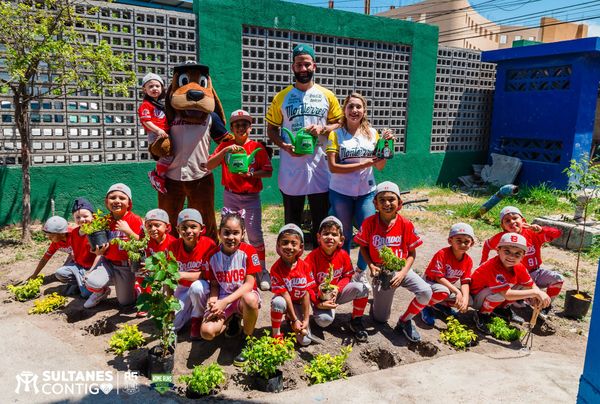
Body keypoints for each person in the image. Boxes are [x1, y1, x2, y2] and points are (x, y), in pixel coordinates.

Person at [266, 43, 343, 246]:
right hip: (292, 165)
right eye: (299, 64)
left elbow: (340, 122)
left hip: (320, 165)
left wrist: (323, 129)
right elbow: (272, 129)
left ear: (314, 66)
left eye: (307, 64)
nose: (303, 69)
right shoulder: (281, 97)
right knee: (292, 220)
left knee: (321, 218)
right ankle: (291, 262)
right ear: (293, 67)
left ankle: (320, 258)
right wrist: (284, 146)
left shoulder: (327, 95)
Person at [325, 92, 393, 287]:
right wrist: (364, 164)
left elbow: (379, 166)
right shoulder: (335, 134)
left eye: (358, 107)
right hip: (340, 191)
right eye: (350, 106)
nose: (354, 110)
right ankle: (344, 274)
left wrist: (386, 143)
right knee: (344, 234)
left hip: (366, 192)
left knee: (369, 234)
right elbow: (333, 167)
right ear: (344, 110)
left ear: (364, 111)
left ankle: (360, 272)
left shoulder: (373, 134)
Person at [354, 181, 432, 342]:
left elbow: (411, 253)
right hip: (381, 272)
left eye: (391, 199)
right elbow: (363, 247)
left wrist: (403, 273)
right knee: (380, 319)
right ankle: (376, 304)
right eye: (381, 200)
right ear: (375, 203)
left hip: (402, 269)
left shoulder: (405, 224)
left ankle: (405, 321)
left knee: (426, 292)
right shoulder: (369, 223)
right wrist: (371, 265)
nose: (387, 203)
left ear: (400, 204)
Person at [207, 109, 273, 290]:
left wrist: (251, 173)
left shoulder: (257, 147)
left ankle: (261, 270)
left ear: (250, 127)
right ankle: (236, 269)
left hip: (251, 197)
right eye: (237, 125)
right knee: (231, 233)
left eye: (244, 124)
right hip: (231, 195)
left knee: (254, 235)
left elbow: (268, 171)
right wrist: (225, 150)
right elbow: (209, 165)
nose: (241, 128)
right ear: (232, 127)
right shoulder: (225, 146)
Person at [200, 212, 261, 367]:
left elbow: (249, 284)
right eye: (226, 232)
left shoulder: (249, 252)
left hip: (241, 298)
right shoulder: (212, 255)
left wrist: (224, 301)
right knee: (206, 332)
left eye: (236, 233)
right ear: (220, 233)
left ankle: (247, 339)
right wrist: (213, 300)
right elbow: (214, 284)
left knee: (251, 299)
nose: (231, 237)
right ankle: (231, 320)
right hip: (222, 297)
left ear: (242, 234)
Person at [480, 206, 563, 319]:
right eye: (507, 220)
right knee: (508, 292)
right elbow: (487, 245)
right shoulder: (503, 238)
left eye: (515, 218)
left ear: (523, 221)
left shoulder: (532, 233)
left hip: (535, 272)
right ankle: (504, 308)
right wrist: (483, 262)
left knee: (557, 279)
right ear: (502, 226)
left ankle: (544, 307)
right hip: (516, 277)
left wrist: (542, 230)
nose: (512, 222)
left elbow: (557, 233)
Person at [304, 216, 370, 342]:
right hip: (318, 297)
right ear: (318, 237)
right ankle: (316, 315)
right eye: (326, 233)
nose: (330, 237)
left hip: (336, 293)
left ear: (341, 240)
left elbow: (347, 275)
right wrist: (319, 302)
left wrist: (337, 289)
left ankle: (356, 321)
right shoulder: (311, 258)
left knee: (362, 288)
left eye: (334, 234)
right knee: (324, 321)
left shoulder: (343, 255)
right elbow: (308, 286)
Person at [471, 232, 551, 333]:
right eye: (507, 251)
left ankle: (500, 309)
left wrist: (537, 296)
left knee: (522, 286)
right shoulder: (493, 266)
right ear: (498, 250)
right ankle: (482, 315)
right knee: (500, 295)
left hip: (490, 293)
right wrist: (536, 293)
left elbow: (530, 285)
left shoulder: (519, 266)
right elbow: (507, 295)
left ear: (523, 256)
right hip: (476, 297)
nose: (512, 256)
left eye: (517, 253)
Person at [83, 183, 144, 309]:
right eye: (112, 197)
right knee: (91, 281)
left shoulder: (135, 219)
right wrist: (98, 251)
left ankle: (135, 287)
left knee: (125, 302)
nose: (117, 201)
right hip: (108, 263)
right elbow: (97, 243)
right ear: (106, 202)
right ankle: (101, 291)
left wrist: (128, 231)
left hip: (125, 266)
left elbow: (142, 243)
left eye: (122, 198)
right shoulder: (105, 221)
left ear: (129, 203)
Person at [170, 208, 216, 338]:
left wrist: (182, 274)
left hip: (203, 287)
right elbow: (168, 274)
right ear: (178, 229)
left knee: (197, 288)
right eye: (183, 227)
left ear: (202, 229)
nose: (188, 231)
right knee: (171, 326)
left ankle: (197, 317)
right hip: (181, 288)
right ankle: (189, 309)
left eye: (193, 226)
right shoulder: (173, 246)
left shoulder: (209, 244)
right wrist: (169, 298)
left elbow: (207, 274)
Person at [420, 223, 475, 326]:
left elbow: (465, 282)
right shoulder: (442, 254)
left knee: (470, 300)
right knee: (443, 292)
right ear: (450, 241)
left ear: (472, 243)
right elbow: (438, 277)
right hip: (429, 283)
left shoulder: (468, 261)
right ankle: (424, 306)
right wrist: (456, 291)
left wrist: (465, 299)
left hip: (445, 287)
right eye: (458, 240)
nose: (463, 244)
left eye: (466, 241)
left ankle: (439, 304)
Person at [270, 224, 316, 346]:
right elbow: (285, 295)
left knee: (305, 341)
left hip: (299, 304)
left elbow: (306, 294)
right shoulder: (275, 269)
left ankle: (291, 321)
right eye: (285, 242)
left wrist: (305, 320)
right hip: (286, 303)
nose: (289, 247)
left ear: (301, 247)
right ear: (278, 245)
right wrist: (295, 319)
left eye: (293, 243)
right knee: (277, 302)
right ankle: (276, 334)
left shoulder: (305, 266)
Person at [135, 208, 176, 317]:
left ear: (168, 227)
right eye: (149, 226)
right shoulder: (148, 242)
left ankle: (165, 302)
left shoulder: (173, 243)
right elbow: (148, 259)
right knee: (139, 272)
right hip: (154, 272)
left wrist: (154, 269)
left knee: (167, 294)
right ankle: (145, 296)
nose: (153, 229)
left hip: (168, 275)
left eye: (157, 225)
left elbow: (174, 267)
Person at [53, 198, 98, 298]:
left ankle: (91, 286)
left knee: (86, 295)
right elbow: (74, 250)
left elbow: (100, 255)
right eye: (78, 217)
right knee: (60, 273)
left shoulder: (96, 233)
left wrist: (90, 271)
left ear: (93, 217)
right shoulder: (74, 232)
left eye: (85, 216)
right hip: (78, 267)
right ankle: (79, 282)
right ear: (74, 219)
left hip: (92, 268)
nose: (82, 219)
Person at [138, 73, 171, 194]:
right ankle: (157, 176)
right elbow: (146, 121)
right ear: (144, 89)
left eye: (157, 86)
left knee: (169, 155)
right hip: (155, 134)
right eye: (150, 86)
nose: (154, 88)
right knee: (167, 155)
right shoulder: (146, 105)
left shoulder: (159, 105)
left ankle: (160, 174)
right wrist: (157, 130)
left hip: (164, 133)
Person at [26, 216, 72, 282]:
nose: (49, 238)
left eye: (52, 236)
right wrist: (34, 275)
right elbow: (45, 259)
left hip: (86, 259)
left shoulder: (75, 236)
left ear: (62, 234)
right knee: (62, 273)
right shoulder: (55, 243)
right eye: (48, 235)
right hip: (74, 256)